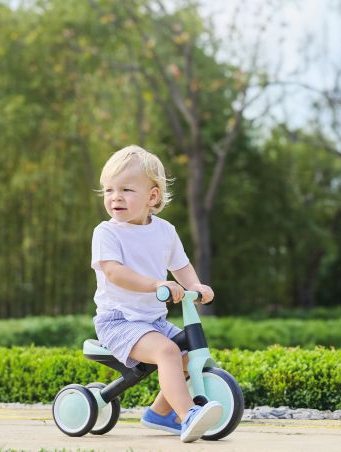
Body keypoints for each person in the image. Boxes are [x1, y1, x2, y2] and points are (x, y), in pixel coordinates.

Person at [91, 145, 222, 443]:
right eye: (108, 190)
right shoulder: (107, 233)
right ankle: (188, 413)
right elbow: (114, 272)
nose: (115, 197)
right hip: (119, 321)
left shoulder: (164, 231)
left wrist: (196, 286)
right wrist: (155, 285)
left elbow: (181, 265)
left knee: (189, 354)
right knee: (167, 352)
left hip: (153, 320)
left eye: (126, 189)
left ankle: (160, 413)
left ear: (152, 196)